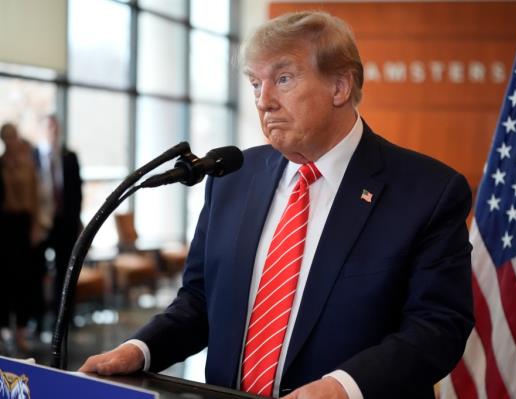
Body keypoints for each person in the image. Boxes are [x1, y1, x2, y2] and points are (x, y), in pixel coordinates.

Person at [80, 11, 474, 398]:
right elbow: (199, 302)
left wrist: (343, 388)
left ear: (339, 86)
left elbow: (437, 326)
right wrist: (139, 350)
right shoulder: (232, 177)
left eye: (283, 79)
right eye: (255, 84)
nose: (264, 101)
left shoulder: (428, 192)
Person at [33, 115, 82, 324]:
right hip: (41, 224)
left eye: (55, 127)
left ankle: (63, 319)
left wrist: (77, 220)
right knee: (37, 271)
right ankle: (37, 319)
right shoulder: (32, 156)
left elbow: (77, 191)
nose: (52, 131)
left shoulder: (69, 156)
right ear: (42, 130)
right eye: (48, 127)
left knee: (65, 272)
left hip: (66, 223)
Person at [0, 123, 40, 354]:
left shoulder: (28, 165)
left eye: (13, 137)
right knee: (5, 281)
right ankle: (5, 330)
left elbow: (34, 198)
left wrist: (35, 226)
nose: (11, 141)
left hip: (24, 226)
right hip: (4, 227)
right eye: (7, 138)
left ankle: (21, 332)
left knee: (25, 280)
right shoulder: (1, 164)